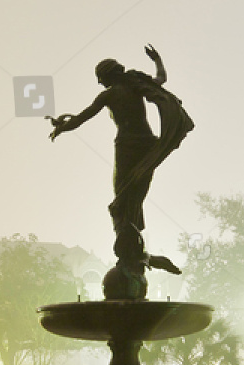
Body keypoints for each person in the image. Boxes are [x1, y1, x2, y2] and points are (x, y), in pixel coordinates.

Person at [47, 44, 194, 250]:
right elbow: (160, 79)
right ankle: (131, 238)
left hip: (126, 146)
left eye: (99, 77)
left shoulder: (108, 95)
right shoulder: (135, 85)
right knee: (136, 192)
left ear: (107, 75)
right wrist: (157, 60)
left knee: (121, 197)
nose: (99, 82)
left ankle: (126, 239)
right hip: (147, 144)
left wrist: (61, 128)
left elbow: (82, 118)